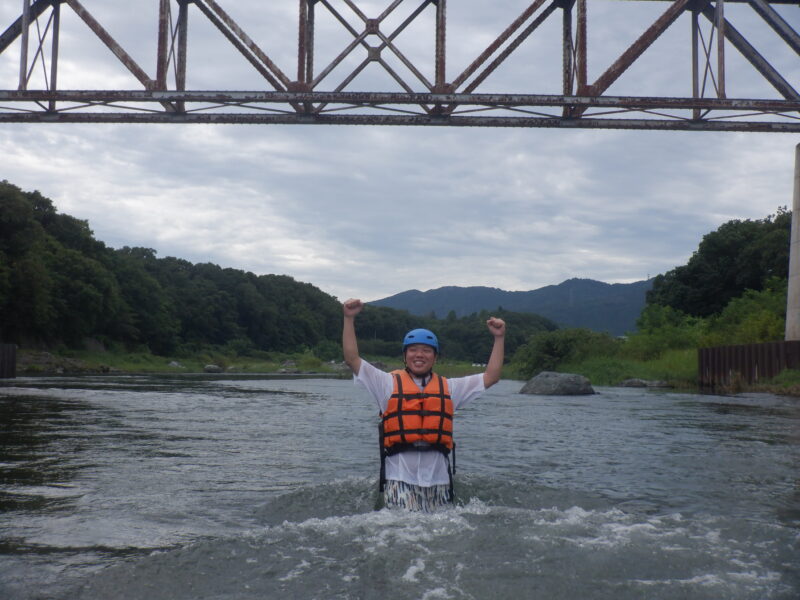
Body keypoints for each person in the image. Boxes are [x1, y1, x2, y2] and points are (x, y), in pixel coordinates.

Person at [342, 298, 506, 512]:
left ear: (435, 357)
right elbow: (352, 359)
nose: (419, 355)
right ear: (405, 355)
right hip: (399, 478)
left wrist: (499, 338)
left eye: (427, 350)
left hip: (438, 480)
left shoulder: (449, 388)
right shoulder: (386, 384)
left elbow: (491, 376)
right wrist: (348, 318)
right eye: (413, 350)